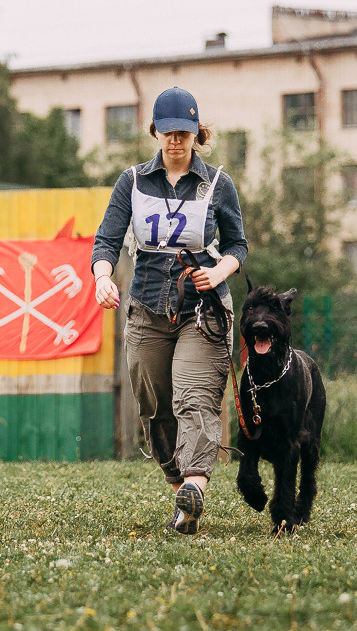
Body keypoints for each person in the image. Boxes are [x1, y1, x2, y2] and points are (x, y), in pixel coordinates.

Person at [92, 86, 247, 535]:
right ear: (154, 132)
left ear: (197, 134)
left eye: (183, 133)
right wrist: (103, 276)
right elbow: (107, 239)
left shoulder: (217, 184)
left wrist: (220, 272)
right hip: (146, 307)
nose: (175, 141)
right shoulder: (133, 181)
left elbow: (237, 245)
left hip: (203, 310)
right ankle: (180, 488)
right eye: (167, 132)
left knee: (195, 398)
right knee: (154, 406)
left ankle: (196, 484)